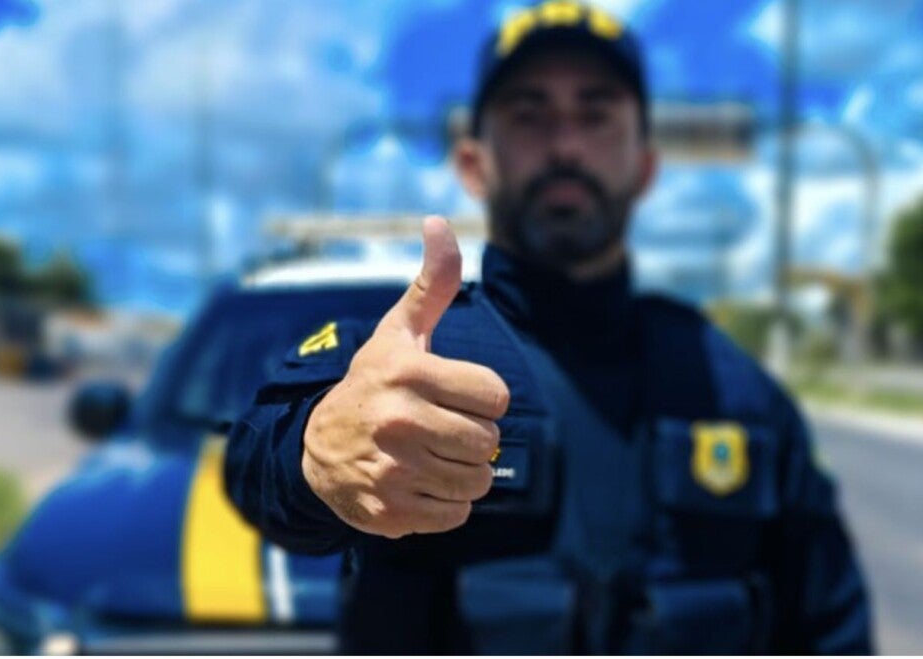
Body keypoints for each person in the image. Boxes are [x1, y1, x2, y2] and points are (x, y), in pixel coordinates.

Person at [224, 0, 872, 653]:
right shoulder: (404, 361)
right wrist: (314, 450)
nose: (565, 146)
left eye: (596, 115)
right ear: (474, 164)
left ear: (644, 166)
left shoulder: (740, 393)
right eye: (529, 116)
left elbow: (831, 627)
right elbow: (252, 463)